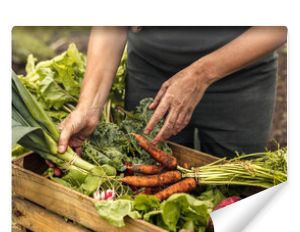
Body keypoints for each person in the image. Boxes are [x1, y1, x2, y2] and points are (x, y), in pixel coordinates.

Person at [58, 26, 287, 158]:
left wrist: (200, 74)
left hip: (240, 79)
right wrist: (89, 106)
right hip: (152, 75)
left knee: (238, 187)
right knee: (146, 170)